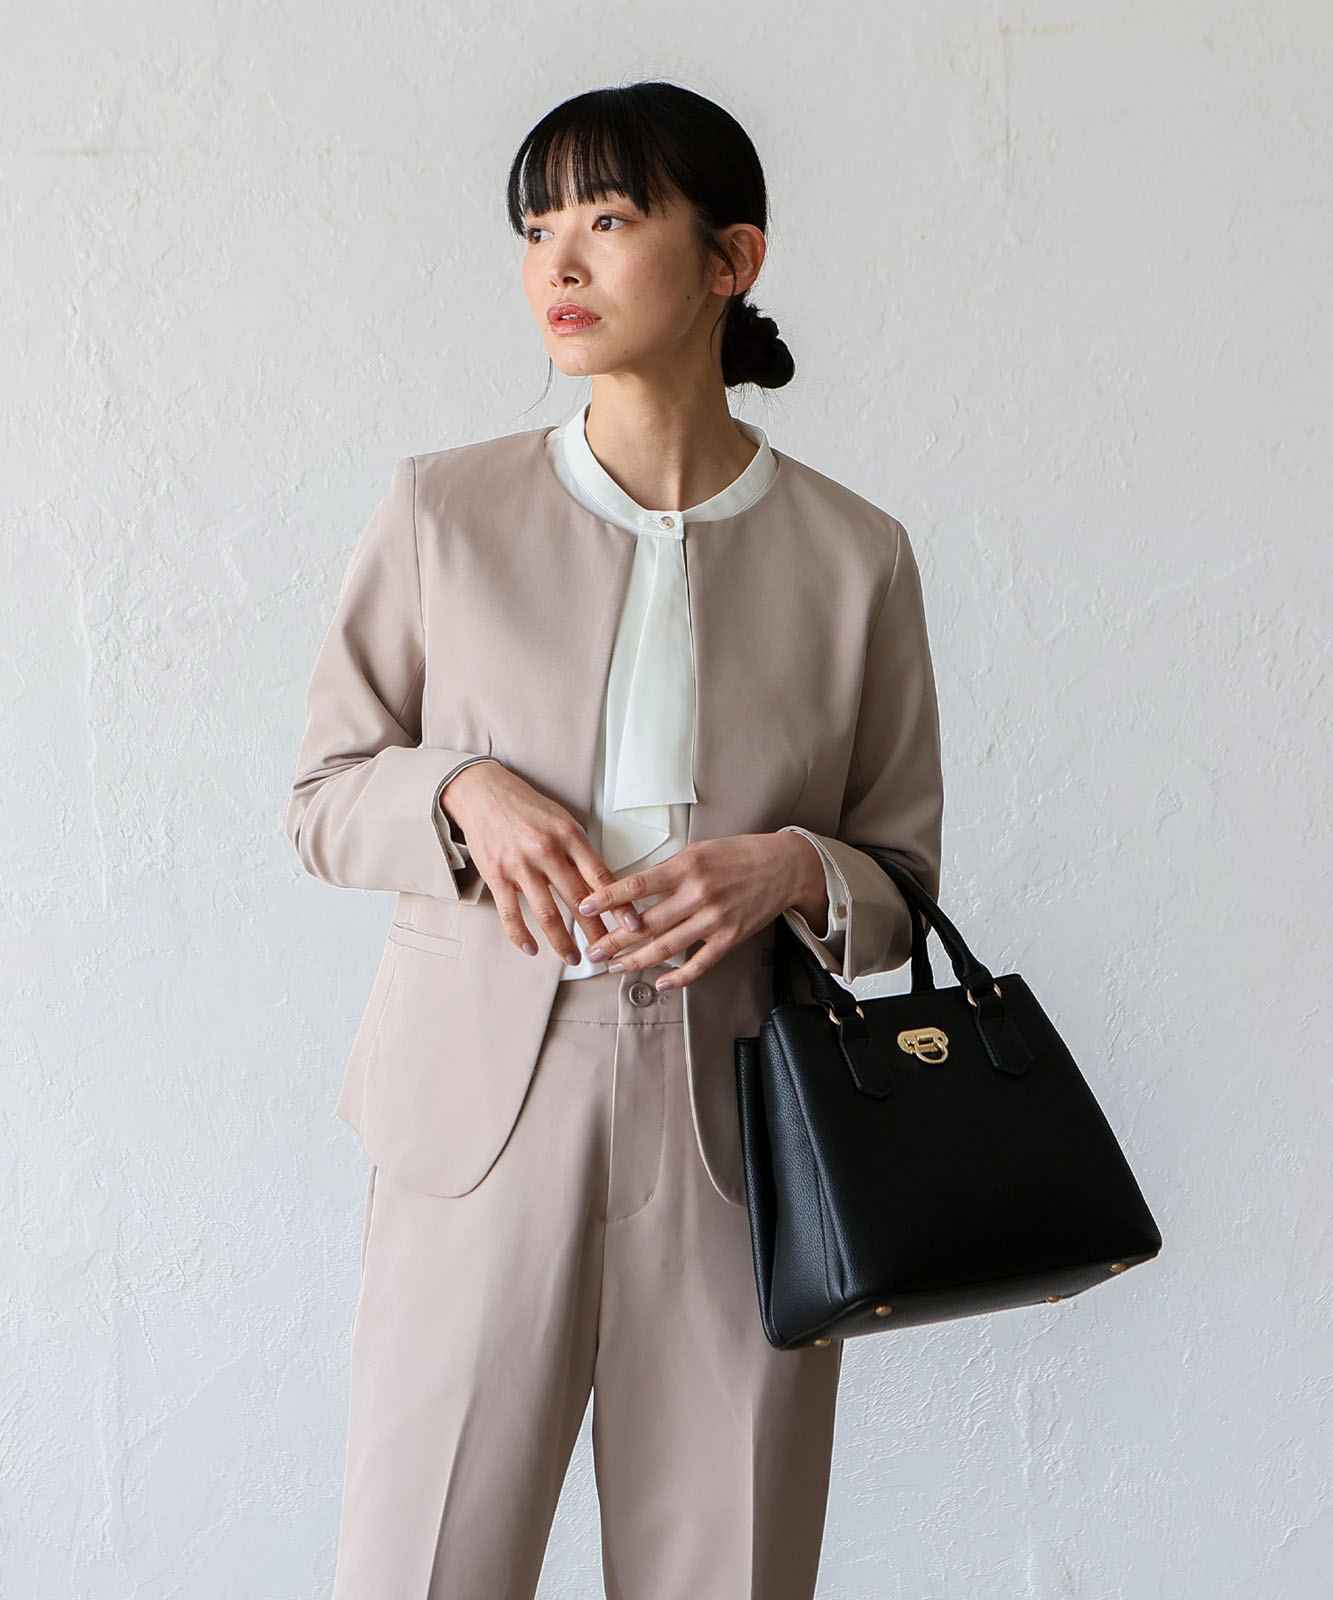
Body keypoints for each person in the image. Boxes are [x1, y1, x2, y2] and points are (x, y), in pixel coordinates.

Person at [284, 79, 945, 1600]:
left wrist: (795, 867)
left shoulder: (856, 556)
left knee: (729, 1565)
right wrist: (459, 790)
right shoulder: (443, 512)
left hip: (742, 1114)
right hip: (479, 1108)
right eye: (535, 230)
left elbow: (903, 884)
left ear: (731, 260)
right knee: (425, 1563)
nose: (558, 266)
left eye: (606, 218)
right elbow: (321, 795)